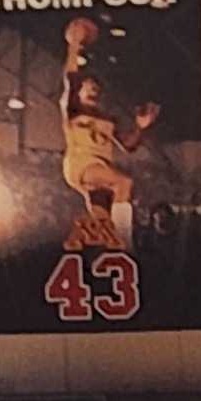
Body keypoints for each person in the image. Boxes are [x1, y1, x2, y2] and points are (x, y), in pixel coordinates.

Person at [58, 15, 158, 252]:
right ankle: (126, 243)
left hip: (100, 166)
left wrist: (141, 128)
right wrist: (74, 46)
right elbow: (70, 80)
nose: (92, 89)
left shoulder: (108, 119)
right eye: (88, 86)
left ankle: (103, 257)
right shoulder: (72, 110)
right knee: (124, 182)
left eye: (95, 87)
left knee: (101, 222)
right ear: (80, 92)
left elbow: (129, 146)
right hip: (82, 165)